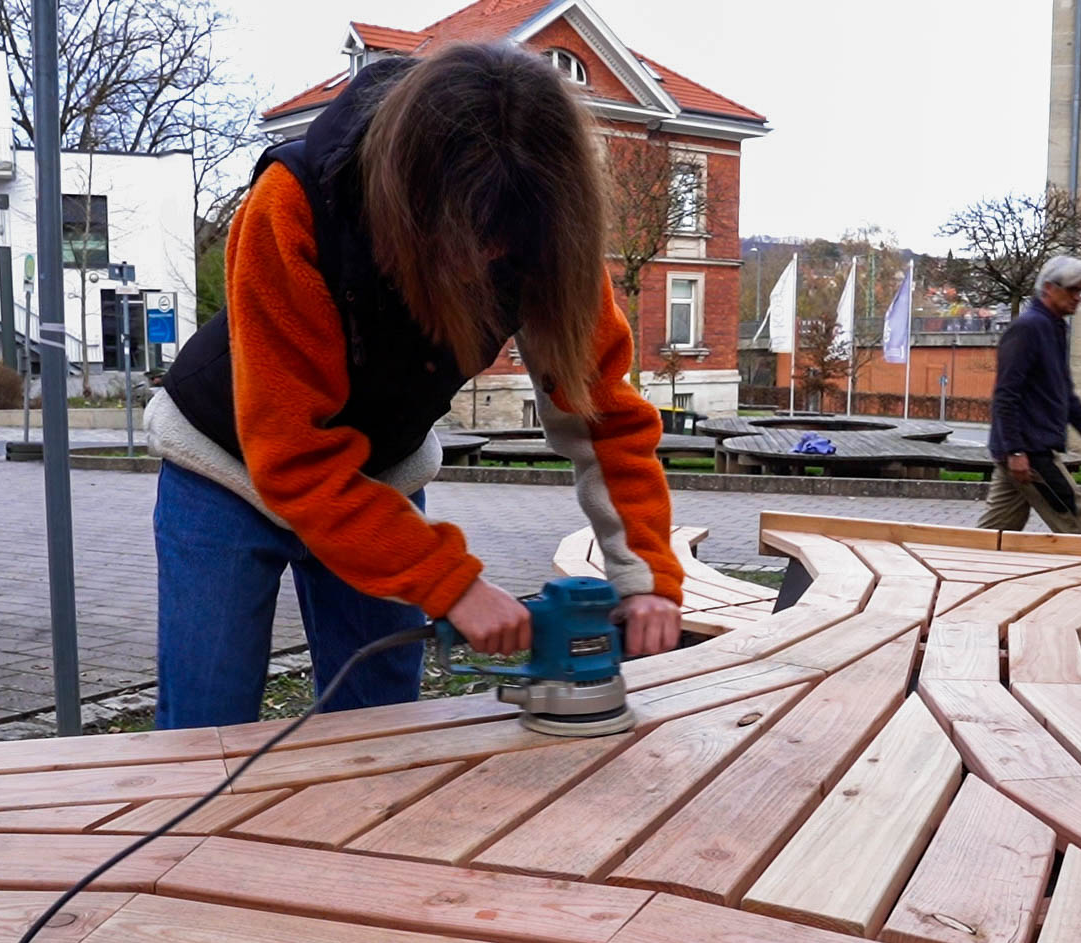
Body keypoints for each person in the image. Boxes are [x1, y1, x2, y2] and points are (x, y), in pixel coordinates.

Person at [144, 43, 683, 729]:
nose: (490, 259)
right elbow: (292, 457)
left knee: (382, 724)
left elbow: (606, 417)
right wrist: (452, 584)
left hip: (376, 481)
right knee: (206, 728)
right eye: (469, 237)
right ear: (410, 195)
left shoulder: (547, 234)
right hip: (226, 469)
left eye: (508, 244)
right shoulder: (295, 203)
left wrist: (647, 580)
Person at [978, 255, 1081, 535]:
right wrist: (1015, 451)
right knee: (1080, 525)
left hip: (1024, 453)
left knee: (996, 535)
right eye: (1072, 290)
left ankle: (959, 574)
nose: (1078, 297)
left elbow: (1065, 396)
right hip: (1031, 454)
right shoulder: (1028, 329)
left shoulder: (1054, 329)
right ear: (1049, 289)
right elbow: (1006, 396)